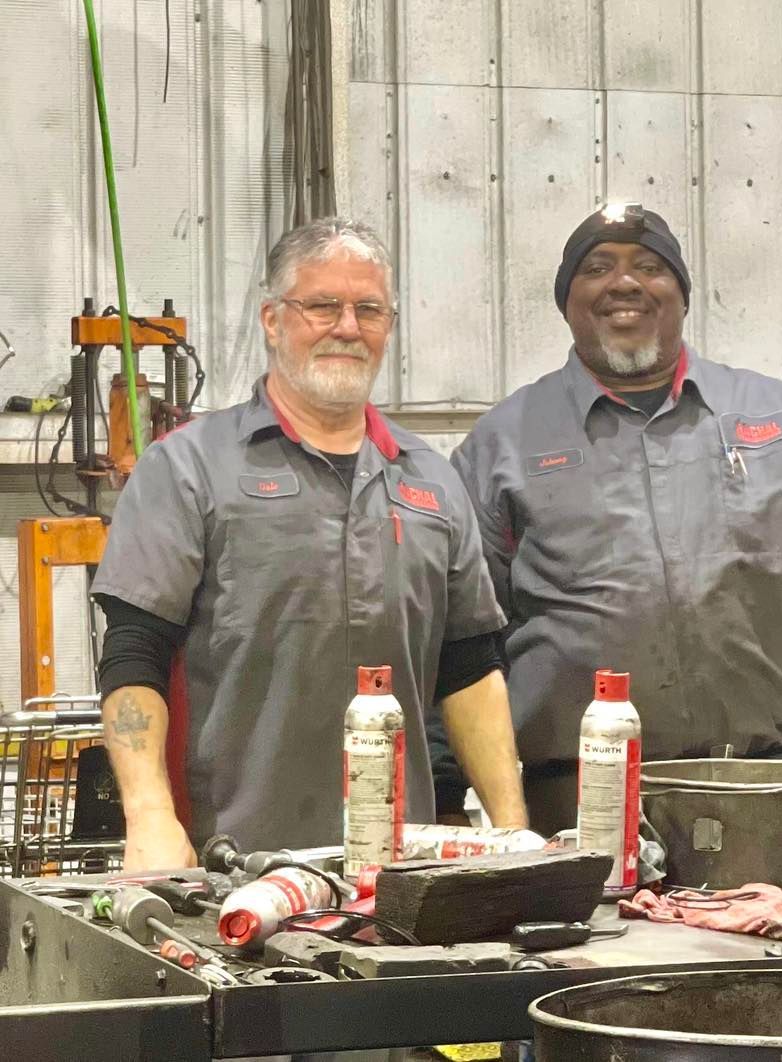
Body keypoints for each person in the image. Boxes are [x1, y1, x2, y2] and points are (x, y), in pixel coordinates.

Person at [445, 202, 782, 835]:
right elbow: (461, 644)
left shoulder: (777, 417)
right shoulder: (502, 444)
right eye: (597, 268)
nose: (625, 283)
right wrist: (453, 794)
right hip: (582, 810)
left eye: (650, 266)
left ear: (683, 296)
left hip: (779, 792)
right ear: (567, 301)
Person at [92, 217, 527, 871]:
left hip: (398, 873)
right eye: (323, 305)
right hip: (231, 865)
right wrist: (149, 816)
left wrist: (514, 834)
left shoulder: (432, 480)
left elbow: (470, 667)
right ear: (272, 320)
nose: (347, 327)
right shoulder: (187, 468)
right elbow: (134, 654)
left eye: (368, 309)